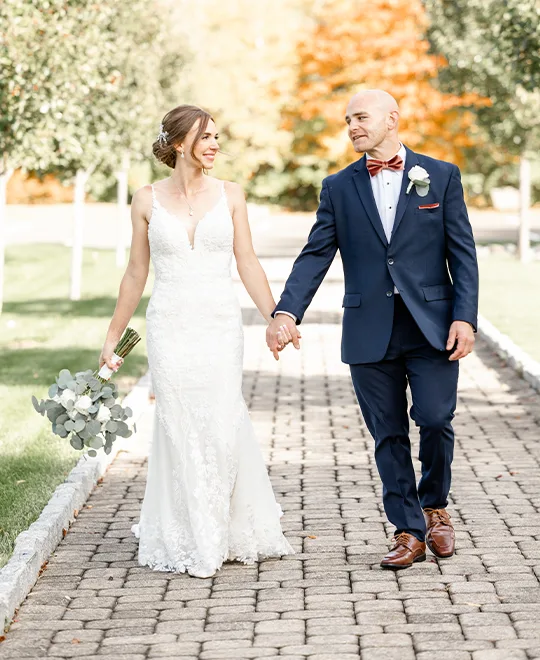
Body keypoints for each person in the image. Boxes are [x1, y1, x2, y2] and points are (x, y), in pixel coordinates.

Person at [267, 90, 478, 570]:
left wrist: (465, 317)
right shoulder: (338, 187)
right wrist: (287, 313)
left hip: (434, 327)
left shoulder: (440, 176)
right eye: (347, 120)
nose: (353, 127)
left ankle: (435, 507)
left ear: (392, 119)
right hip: (369, 329)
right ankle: (408, 530)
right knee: (388, 434)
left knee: (435, 419)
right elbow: (316, 254)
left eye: (361, 117)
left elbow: (462, 253)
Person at [100, 104, 293, 578]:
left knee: (222, 420)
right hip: (170, 326)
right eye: (207, 136)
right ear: (181, 142)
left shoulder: (231, 195)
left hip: (218, 325)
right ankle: (189, 532)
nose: (215, 145)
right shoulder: (145, 200)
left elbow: (246, 261)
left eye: (217, 137)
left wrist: (276, 317)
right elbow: (135, 272)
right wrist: (112, 336)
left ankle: (223, 526)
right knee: (179, 424)